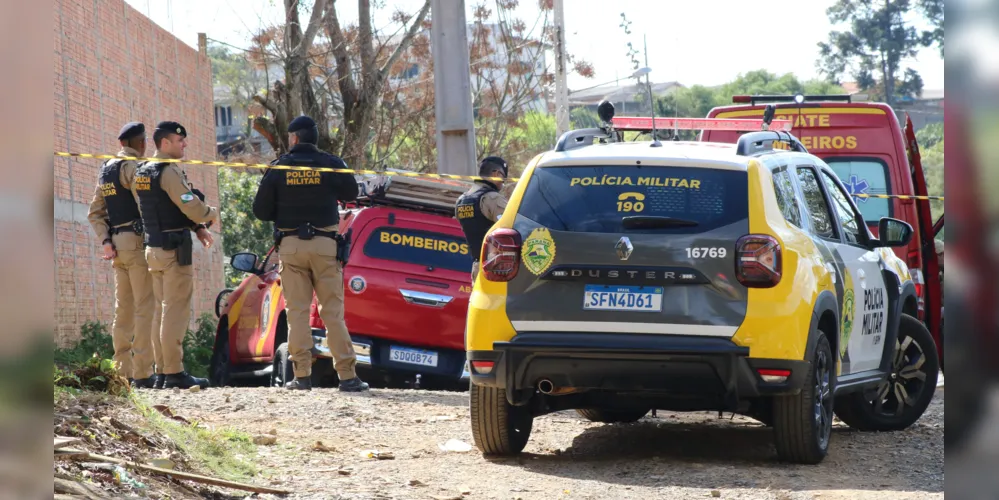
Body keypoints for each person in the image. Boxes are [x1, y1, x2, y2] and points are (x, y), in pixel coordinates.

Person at [252, 115, 368, 392]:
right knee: (332, 313)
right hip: (326, 245)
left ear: (294, 138)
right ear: (314, 138)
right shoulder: (331, 163)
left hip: (291, 246)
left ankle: (301, 376)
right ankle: (347, 377)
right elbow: (351, 192)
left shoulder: (278, 168)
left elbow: (260, 211)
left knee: (297, 314)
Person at [134, 121, 219, 390]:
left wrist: (197, 228)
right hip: (172, 251)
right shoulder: (169, 172)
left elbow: (163, 208)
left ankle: (161, 371)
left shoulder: (144, 171)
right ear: (165, 143)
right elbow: (189, 205)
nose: (184, 145)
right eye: (179, 141)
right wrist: (209, 214)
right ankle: (174, 371)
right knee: (175, 312)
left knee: (161, 310)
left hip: (154, 249)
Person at [86, 122, 159, 388]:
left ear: (121, 144)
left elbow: (95, 212)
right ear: (141, 143)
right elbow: (145, 202)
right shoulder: (133, 168)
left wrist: (105, 240)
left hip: (116, 245)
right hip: (137, 242)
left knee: (123, 310)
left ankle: (121, 372)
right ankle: (142, 373)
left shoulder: (106, 170)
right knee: (144, 307)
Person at [455, 156, 509, 282]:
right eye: (503, 179)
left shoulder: (462, 200)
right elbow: (513, 226)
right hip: (495, 267)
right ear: (496, 174)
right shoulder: (492, 199)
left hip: (476, 266)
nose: (502, 184)